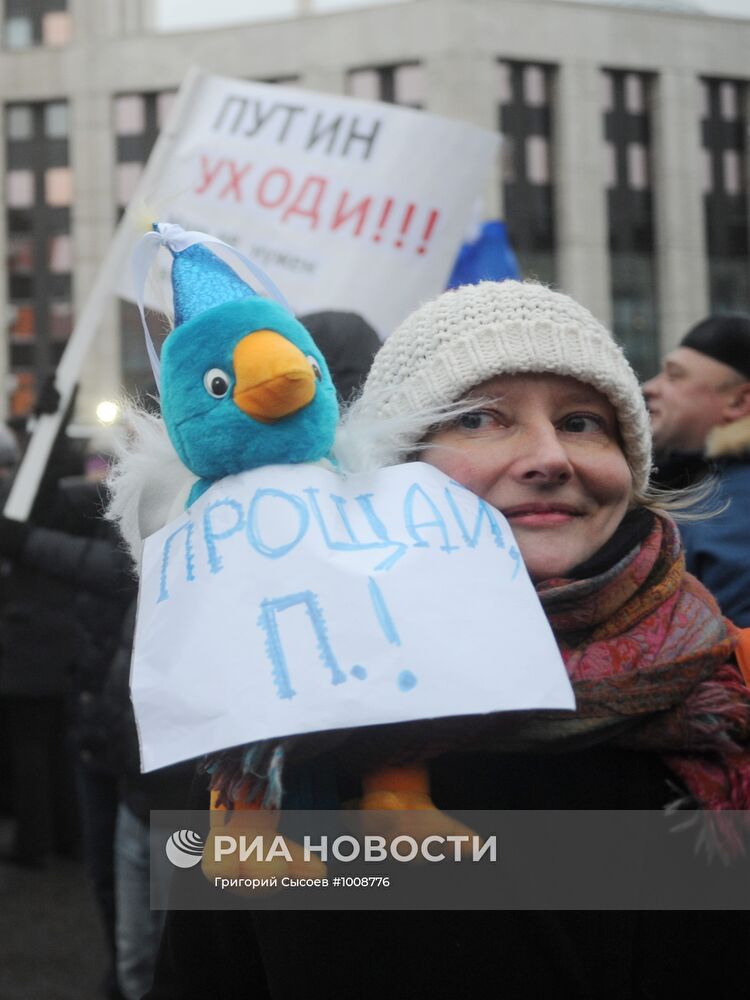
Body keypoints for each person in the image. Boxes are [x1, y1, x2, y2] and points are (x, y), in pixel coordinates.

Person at [146, 281, 750, 999]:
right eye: (480, 418)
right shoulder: (279, 735)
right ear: (400, 468)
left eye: (584, 422)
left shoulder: (724, 691)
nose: (550, 457)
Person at [644, 315, 750, 625]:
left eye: (674, 377)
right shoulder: (702, 488)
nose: (649, 387)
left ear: (739, 401)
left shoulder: (728, 508)